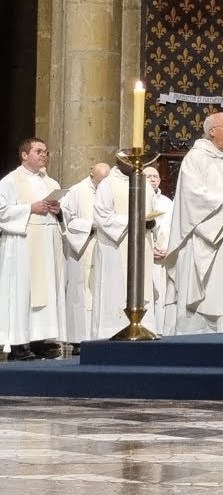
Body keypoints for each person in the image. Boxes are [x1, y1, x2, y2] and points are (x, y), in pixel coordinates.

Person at [165, 112, 223, 335]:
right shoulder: (196, 158)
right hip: (205, 237)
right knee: (204, 290)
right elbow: (192, 196)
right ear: (212, 131)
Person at [0, 138, 65, 360]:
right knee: (23, 293)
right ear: (24, 155)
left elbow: (63, 213)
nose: (43, 155)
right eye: (38, 151)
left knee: (47, 290)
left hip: (47, 243)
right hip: (23, 245)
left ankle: (40, 340)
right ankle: (19, 344)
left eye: (45, 152)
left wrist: (58, 210)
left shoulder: (52, 183)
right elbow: (2, 211)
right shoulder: (10, 181)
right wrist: (30, 208)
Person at [90, 162, 159, 339]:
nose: (135, 164)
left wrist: (151, 223)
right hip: (115, 247)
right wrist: (133, 221)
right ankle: (111, 334)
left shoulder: (144, 183)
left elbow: (152, 211)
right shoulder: (108, 184)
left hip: (142, 244)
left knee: (142, 288)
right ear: (120, 162)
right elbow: (103, 216)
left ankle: (144, 330)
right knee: (116, 291)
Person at [58, 162, 110, 353]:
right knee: (80, 293)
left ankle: (99, 336)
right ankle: (78, 340)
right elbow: (65, 220)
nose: (103, 184)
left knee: (100, 290)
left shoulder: (108, 190)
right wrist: (89, 227)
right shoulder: (76, 191)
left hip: (103, 246)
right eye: (101, 180)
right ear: (91, 174)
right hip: (82, 247)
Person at [144, 166, 174, 323]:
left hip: (165, 255)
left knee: (163, 293)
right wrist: (149, 250)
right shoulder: (138, 199)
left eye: (155, 176)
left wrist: (169, 249)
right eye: (148, 176)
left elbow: (175, 228)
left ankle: (162, 329)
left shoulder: (168, 203)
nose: (153, 179)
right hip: (145, 254)